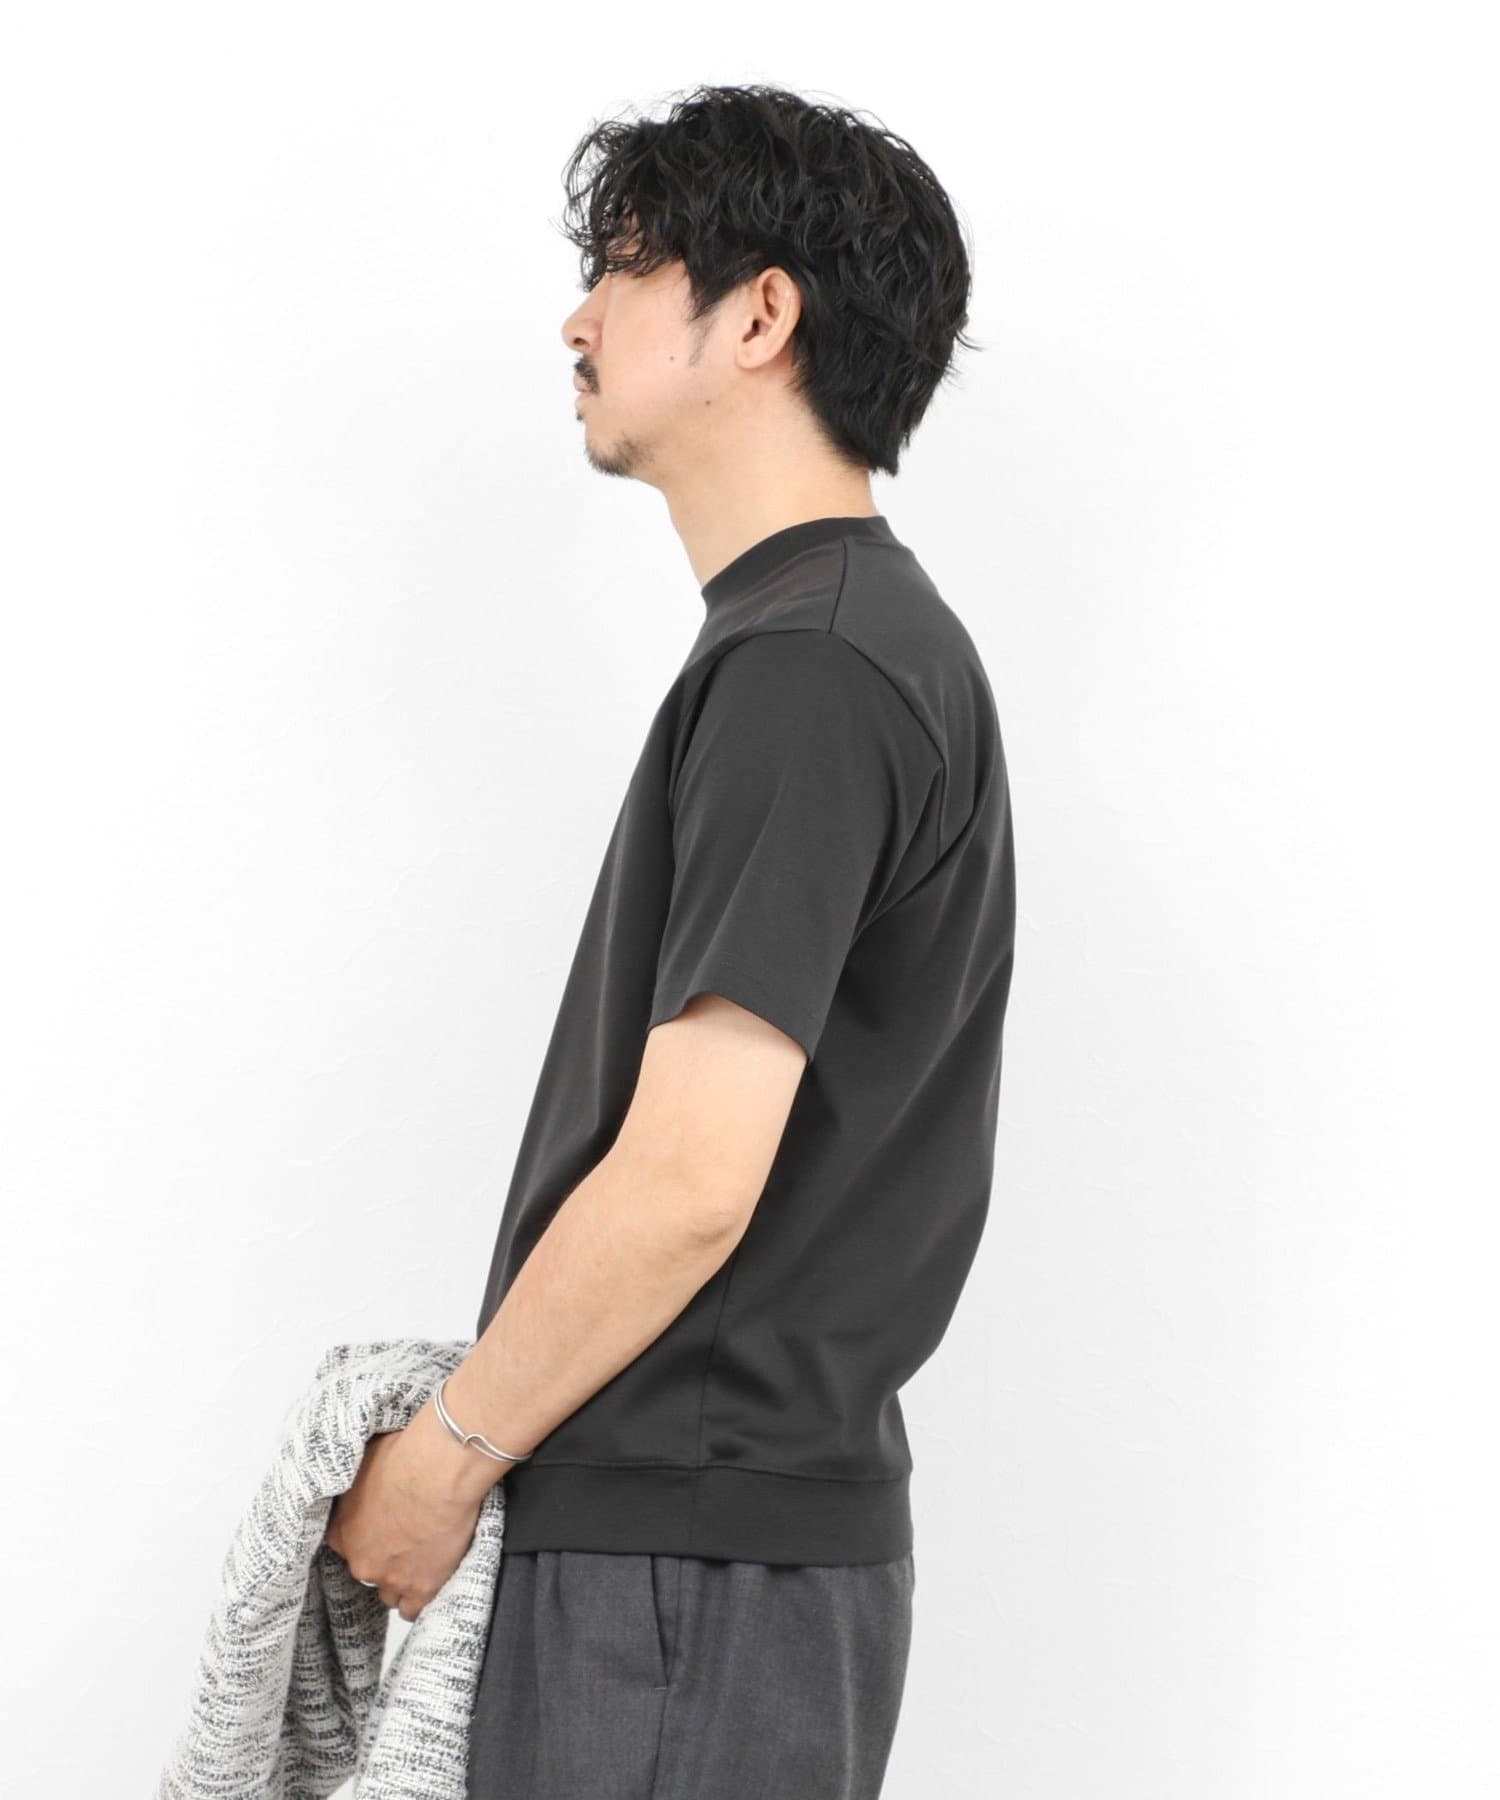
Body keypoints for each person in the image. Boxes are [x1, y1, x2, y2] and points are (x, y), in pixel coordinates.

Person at [325, 81, 1016, 1799]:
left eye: (624, 268)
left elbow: (695, 1176)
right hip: (709, 1552)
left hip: (685, 1571)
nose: (577, 320)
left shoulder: (812, 666)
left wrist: (445, 1457)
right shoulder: (834, 640)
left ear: (760, 316)